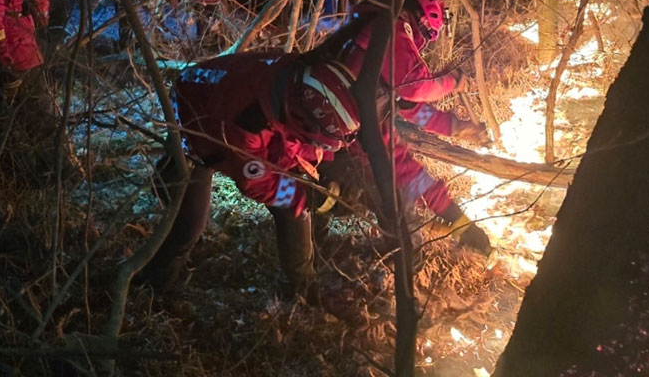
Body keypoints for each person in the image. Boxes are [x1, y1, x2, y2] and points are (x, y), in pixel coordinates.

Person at [142, 47, 490, 299]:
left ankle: (309, 267)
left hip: (259, 105)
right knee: (188, 226)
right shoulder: (243, 126)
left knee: (317, 187)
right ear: (303, 125)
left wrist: (455, 218)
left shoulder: (332, 86)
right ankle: (154, 291)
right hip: (197, 126)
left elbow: (389, 160)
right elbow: (257, 182)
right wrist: (308, 197)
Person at [330, 0, 489, 141]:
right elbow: (416, 87)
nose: (424, 40)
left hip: (337, 122)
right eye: (428, 32)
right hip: (332, 116)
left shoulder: (386, 29)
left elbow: (412, 108)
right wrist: (451, 82)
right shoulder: (392, 27)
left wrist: (455, 128)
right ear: (423, 19)